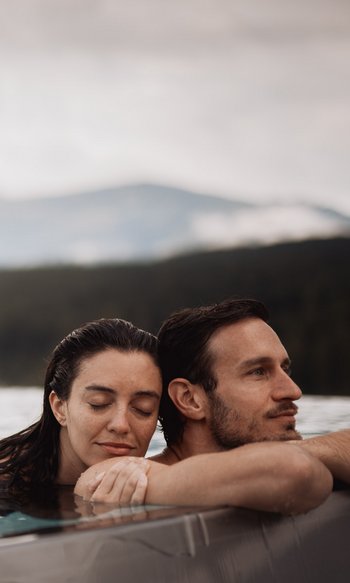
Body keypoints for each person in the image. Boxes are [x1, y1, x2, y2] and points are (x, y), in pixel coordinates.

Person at [75, 299, 334, 514]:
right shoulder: (115, 474)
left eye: (285, 369)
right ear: (190, 399)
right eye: (258, 372)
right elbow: (296, 471)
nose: (293, 391)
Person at [0, 317, 162, 505]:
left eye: (143, 409)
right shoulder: (7, 481)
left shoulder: (158, 472)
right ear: (59, 408)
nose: (121, 425)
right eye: (98, 404)